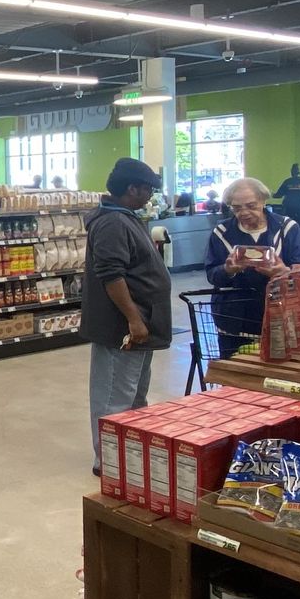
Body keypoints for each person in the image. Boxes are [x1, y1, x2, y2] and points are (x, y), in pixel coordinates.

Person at [82, 158, 172, 476]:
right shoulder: (112, 223)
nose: (150, 195)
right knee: (113, 395)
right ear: (131, 188)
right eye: (147, 188)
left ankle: (129, 451)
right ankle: (107, 461)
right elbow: (111, 275)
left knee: (133, 393)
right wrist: (133, 318)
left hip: (140, 326)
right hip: (123, 328)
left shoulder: (126, 218)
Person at [205, 177, 300, 359]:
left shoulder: (287, 228)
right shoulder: (222, 233)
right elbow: (212, 274)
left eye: (251, 205)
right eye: (236, 208)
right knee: (234, 374)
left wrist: (283, 272)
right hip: (235, 319)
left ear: (263, 200)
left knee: (279, 371)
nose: (244, 212)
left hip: (278, 314)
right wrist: (228, 270)